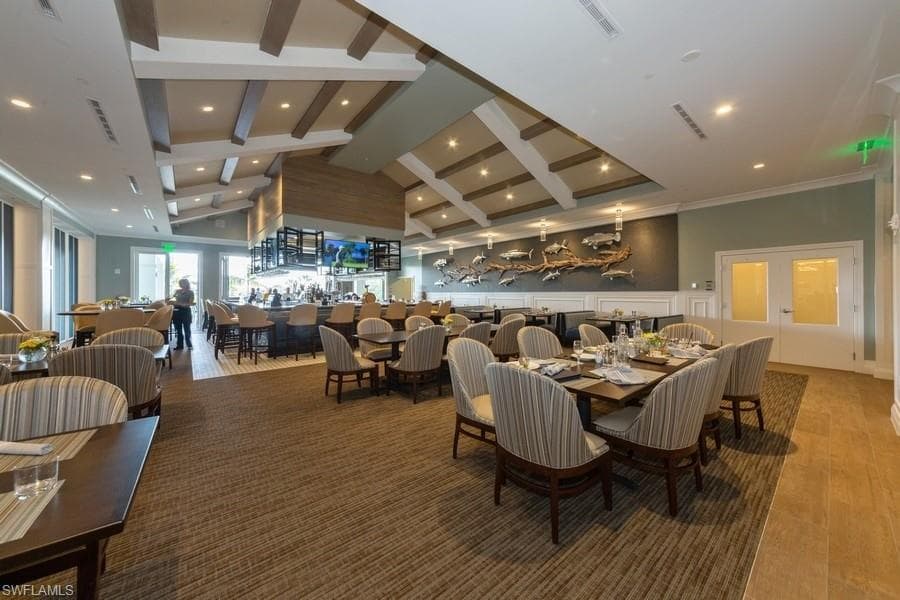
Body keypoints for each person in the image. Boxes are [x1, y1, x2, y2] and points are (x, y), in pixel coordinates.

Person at [171, 278, 195, 350]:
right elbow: (172, 299)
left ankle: (189, 345)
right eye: (181, 283)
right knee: (178, 330)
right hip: (177, 312)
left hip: (186, 312)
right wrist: (171, 300)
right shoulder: (177, 291)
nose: (182, 284)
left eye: (183, 283)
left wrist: (179, 303)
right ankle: (179, 345)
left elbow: (190, 303)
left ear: (187, 284)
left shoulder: (190, 292)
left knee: (187, 329)